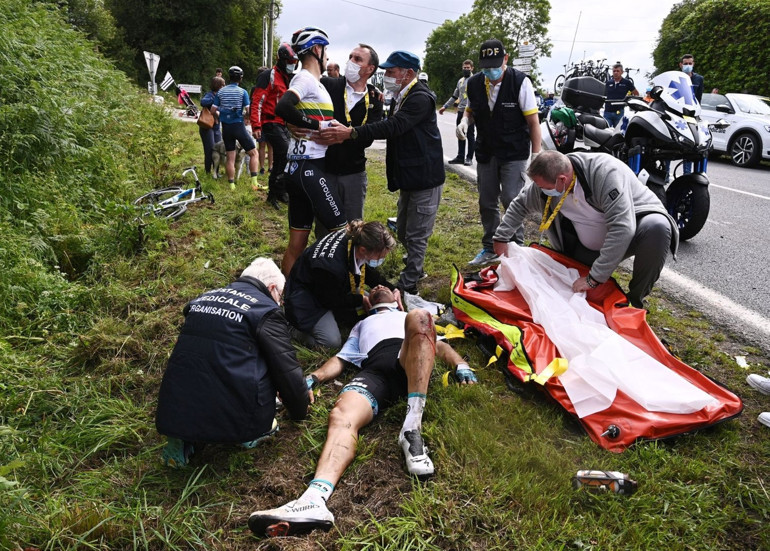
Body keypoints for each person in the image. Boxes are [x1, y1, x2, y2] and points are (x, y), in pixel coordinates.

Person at [247, 287, 477, 537]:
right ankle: (314, 499)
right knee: (341, 415)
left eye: (385, 288)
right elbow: (342, 358)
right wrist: (313, 377)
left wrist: (461, 365)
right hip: (374, 371)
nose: (378, 288)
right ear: (366, 303)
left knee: (420, 316)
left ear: (398, 298)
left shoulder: (405, 314)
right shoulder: (362, 324)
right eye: (372, 290)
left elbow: (438, 346)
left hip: (407, 359)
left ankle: (411, 428)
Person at [155, 258, 309, 468]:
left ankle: (181, 436)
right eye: (281, 297)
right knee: (262, 360)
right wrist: (300, 410)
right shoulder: (265, 311)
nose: (280, 303)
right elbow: (287, 371)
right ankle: (249, 433)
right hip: (235, 417)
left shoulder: (200, 300)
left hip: (175, 408)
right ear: (272, 288)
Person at [319, 50, 445, 296]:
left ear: (408, 73)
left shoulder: (420, 97)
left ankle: (408, 283)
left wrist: (352, 132)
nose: (386, 76)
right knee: (407, 229)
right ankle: (415, 269)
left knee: (417, 233)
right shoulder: (401, 95)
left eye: (391, 71)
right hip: (411, 177)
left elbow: (394, 126)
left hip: (425, 179)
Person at [492, 150, 679, 309]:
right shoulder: (550, 181)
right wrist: (501, 238)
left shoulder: (605, 174)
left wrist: (594, 278)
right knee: (569, 291)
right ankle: (588, 268)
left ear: (562, 180)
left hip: (633, 229)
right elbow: (520, 204)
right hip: (587, 245)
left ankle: (634, 300)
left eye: (544, 187)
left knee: (658, 228)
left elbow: (623, 228)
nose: (541, 190)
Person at [457, 39, 541, 267]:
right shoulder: (474, 83)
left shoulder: (520, 82)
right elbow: (471, 108)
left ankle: (515, 248)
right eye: (486, 67)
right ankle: (490, 246)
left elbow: (533, 122)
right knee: (487, 200)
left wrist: (537, 155)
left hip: (514, 151)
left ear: (505, 59)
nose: (490, 72)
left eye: (495, 65)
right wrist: (465, 121)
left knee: (511, 198)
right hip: (486, 150)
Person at [274, 26, 348, 277]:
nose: (327, 56)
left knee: (297, 244)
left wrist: (301, 122)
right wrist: (315, 125)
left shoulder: (314, 82)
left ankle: (288, 298)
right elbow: (283, 106)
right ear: (317, 49)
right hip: (309, 169)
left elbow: (293, 112)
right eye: (325, 50)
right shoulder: (305, 78)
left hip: (297, 168)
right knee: (344, 233)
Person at [284, 220, 398, 349]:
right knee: (331, 342)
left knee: (372, 302)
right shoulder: (331, 268)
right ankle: (291, 328)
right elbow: (332, 300)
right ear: (363, 250)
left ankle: (340, 317)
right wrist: (360, 299)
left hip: (326, 286)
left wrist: (393, 289)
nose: (380, 260)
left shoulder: (355, 239)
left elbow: (367, 269)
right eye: (379, 257)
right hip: (306, 299)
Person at [314, 43, 383, 233]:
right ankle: (323, 261)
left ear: (370, 69)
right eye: (351, 57)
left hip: (354, 173)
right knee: (323, 226)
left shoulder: (375, 98)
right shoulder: (328, 85)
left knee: (353, 228)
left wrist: (346, 134)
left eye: (358, 59)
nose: (351, 62)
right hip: (325, 170)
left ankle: (350, 261)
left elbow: (368, 137)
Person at [251, 43, 299, 208]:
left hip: (283, 123)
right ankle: (279, 190)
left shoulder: (290, 77)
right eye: (290, 61)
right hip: (270, 122)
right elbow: (257, 101)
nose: (292, 65)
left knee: (280, 159)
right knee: (286, 153)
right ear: (282, 60)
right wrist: (256, 126)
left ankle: (274, 194)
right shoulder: (268, 75)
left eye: (294, 61)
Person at [210, 66, 260, 191]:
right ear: (240, 78)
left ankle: (231, 184)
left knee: (230, 157)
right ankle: (254, 182)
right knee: (254, 153)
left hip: (226, 128)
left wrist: (218, 117)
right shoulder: (243, 92)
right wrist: (246, 117)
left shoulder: (221, 92)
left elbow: (212, 109)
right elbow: (249, 110)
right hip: (238, 126)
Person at [439, 59, 475, 165]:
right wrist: (445, 106)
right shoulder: (460, 81)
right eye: (464, 68)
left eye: (468, 68)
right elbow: (455, 96)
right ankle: (460, 156)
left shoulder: (475, 80)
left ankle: (469, 158)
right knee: (460, 133)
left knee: (470, 135)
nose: (466, 70)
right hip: (460, 110)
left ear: (472, 68)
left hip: (470, 112)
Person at [678, 54, 705, 176]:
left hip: (691, 115)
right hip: (677, 113)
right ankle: (665, 173)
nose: (688, 66)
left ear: (693, 64)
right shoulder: (676, 78)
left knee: (689, 145)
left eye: (690, 63)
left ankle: (687, 175)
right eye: (685, 63)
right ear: (681, 65)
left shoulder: (699, 79)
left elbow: (698, 99)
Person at [199, 76, 225, 176]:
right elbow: (203, 102)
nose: (224, 86)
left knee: (217, 149)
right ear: (217, 86)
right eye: (222, 85)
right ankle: (208, 172)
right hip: (207, 127)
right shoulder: (210, 95)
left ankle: (216, 172)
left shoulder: (221, 96)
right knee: (209, 150)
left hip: (217, 127)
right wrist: (215, 105)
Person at [603, 63, 639, 128]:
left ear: (622, 72)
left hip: (619, 112)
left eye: (617, 71)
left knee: (617, 133)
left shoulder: (627, 82)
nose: (615, 73)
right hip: (607, 112)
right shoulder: (608, 83)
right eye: (614, 71)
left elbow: (636, 94)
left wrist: (630, 102)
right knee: (605, 131)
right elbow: (604, 95)